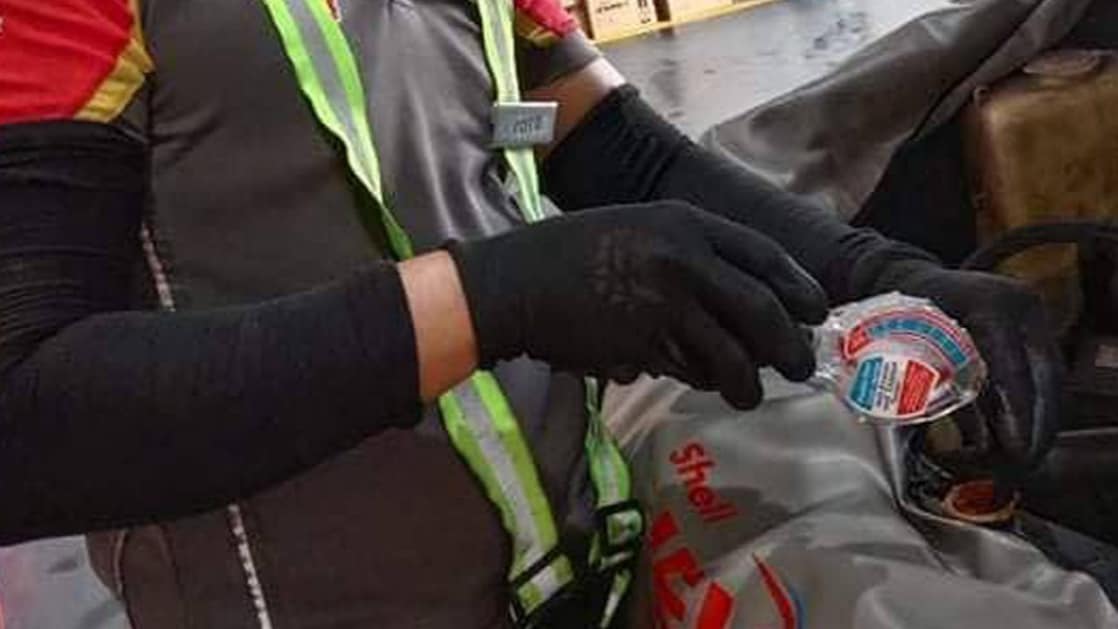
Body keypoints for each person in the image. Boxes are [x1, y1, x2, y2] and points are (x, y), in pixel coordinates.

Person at [0, 0, 1060, 626]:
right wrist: (496, 294)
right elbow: (28, 417)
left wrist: (886, 271)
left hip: (574, 576)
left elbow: (618, 148)